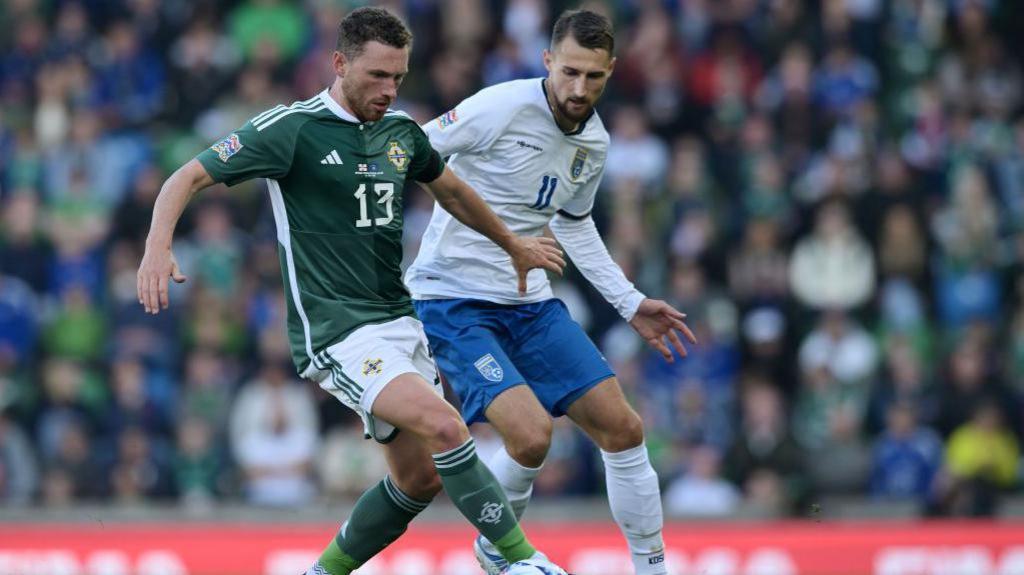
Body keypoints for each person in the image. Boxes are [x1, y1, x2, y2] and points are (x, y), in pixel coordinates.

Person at [137, 8, 568, 575]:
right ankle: (521, 561)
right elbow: (185, 175)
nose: (389, 90)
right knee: (446, 426)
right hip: (336, 330)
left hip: (399, 319)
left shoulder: (401, 134)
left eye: (399, 78)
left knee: (419, 477)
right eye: (377, 76)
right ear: (339, 64)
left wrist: (511, 242)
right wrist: (156, 245)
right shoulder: (290, 129)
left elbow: (453, 192)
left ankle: (325, 571)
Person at [407, 9, 696, 575]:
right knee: (532, 436)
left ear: (611, 71)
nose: (578, 88)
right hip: (452, 300)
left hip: (529, 302)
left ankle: (652, 567)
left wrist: (630, 302)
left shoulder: (595, 144)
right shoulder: (501, 106)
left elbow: (573, 223)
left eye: (593, 77)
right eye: (568, 73)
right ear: (547, 61)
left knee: (624, 427)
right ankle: (501, 546)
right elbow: (412, 148)